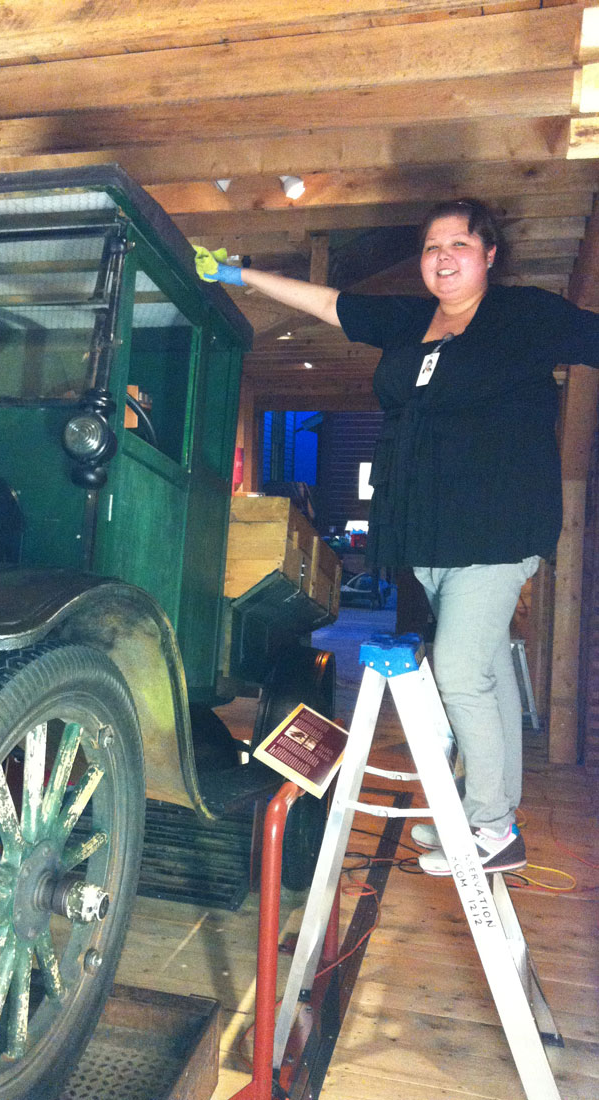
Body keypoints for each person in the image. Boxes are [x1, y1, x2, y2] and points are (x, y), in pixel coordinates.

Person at [194, 199, 599, 876]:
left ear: (488, 255)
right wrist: (242, 277)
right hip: (432, 533)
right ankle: (491, 813)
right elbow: (330, 303)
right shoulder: (413, 322)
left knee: (461, 672)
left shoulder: (524, 316)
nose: (444, 257)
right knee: (487, 667)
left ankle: (492, 825)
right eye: (432, 246)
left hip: (499, 524)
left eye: (459, 245)